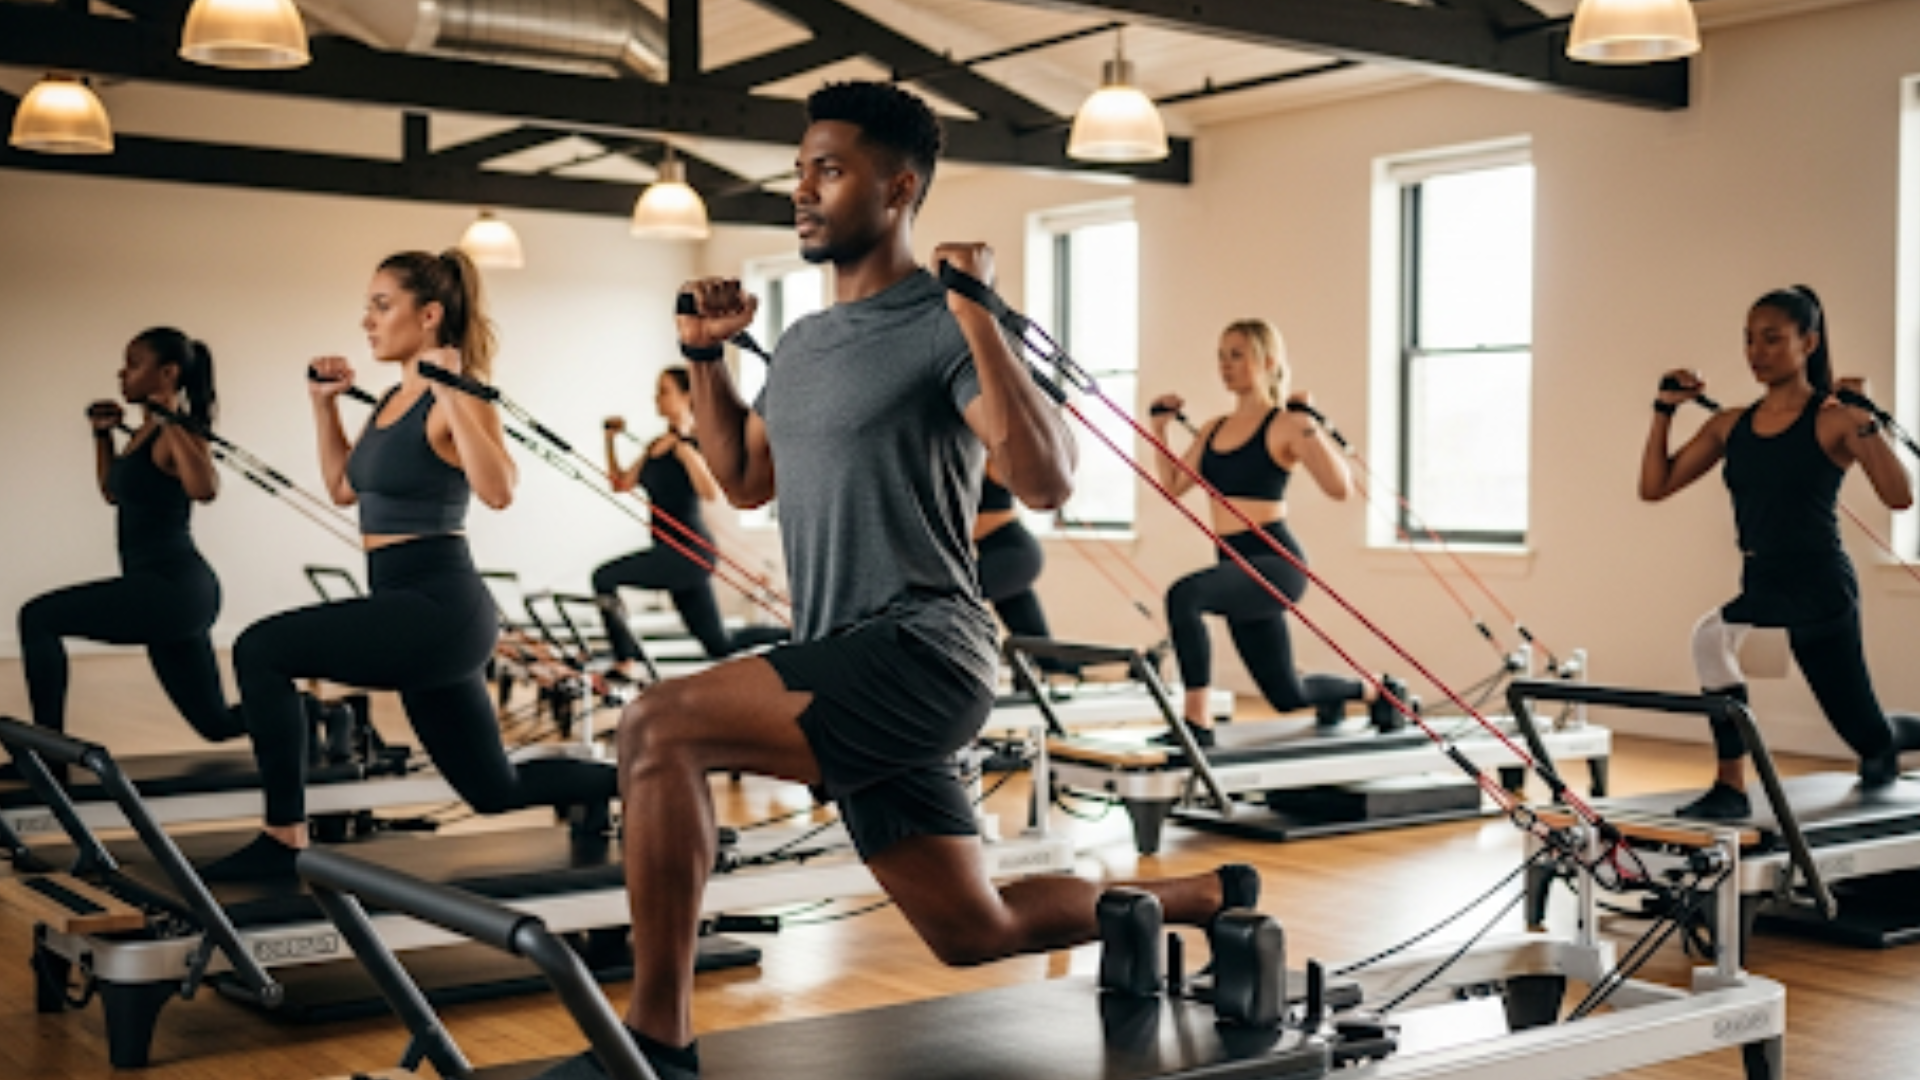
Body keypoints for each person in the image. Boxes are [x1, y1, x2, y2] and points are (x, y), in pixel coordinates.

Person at [533, 82, 1254, 1080]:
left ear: (900, 187)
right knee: (972, 927)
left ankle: (653, 1047)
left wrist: (979, 313)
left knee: (657, 725)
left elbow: (1046, 479)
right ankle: (1212, 896)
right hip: (843, 654)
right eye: (800, 171)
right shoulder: (802, 342)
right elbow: (744, 479)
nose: (803, 190)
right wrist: (704, 359)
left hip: (924, 648)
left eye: (829, 171)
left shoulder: (945, 323)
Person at [203, 248, 618, 881]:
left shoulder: (458, 396)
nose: (367, 321)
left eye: (382, 305)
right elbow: (344, 488)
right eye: (367, 307)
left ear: (429, 315)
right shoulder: (390, 400)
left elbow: (499, 490)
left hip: (441, 606)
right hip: (409, 604)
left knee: (260, 650)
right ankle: (643, 778)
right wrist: (323, 405)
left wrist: (453, 389)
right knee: (493, 789)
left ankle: (284, 838)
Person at [1641, 284, 1920, 820]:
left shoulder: (1833, 419)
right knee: (1713, 639)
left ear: (1808, 342)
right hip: (1765, 581)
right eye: (1749, 339)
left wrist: (1867, 421)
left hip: (1820, 587)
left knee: (1865, 732)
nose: (1756, 351)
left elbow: (1899, 496)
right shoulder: (1729, 424)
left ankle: (1878, 748)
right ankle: (1730, 786)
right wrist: (1663, 411)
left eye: (1772, 339)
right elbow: (1656, 486)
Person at [1148, 320, 1409, 748]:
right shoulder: (1212, 429)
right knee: (1286, 694)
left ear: (1268, 362)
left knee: (1185, 595)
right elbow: (1174, 486)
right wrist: (1159, 430)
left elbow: (1340, 488)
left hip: (1275, 563)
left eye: (1237, 355)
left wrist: (1307, 424)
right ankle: (1376, 690)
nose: (1225, 365)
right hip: (1234, 563)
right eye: (1221, 356)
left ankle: (1196, 723)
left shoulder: (1284, 424)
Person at [17, 328, 243, 747]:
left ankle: (48, 753)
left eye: (134, 364)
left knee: (38, 618)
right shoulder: (143, 433)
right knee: (216, 725)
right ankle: (327, 713)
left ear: (168, 373)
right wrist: (102, 435)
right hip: (164, 592)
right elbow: (113, 493)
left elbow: (205, 488)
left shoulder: (177, 432)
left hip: (172, 589)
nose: (122, 374)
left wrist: (171, 419)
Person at [594, 366, 785, 679]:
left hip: (689, 552)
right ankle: (792, 633)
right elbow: (621, 483)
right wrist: (610, 441)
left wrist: (687, 452)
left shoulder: (697, 443)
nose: (657, 398)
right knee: (719, 644)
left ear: (687, 396)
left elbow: (710, 492)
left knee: (603, 578)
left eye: (664, 391)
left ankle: (626, 660)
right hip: (672, 553)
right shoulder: (655, 446)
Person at [974, 460, 1055, 642]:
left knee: (955, 591)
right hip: (995, 554)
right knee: (1038, 647)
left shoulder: (992, 462)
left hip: (1016, 553)